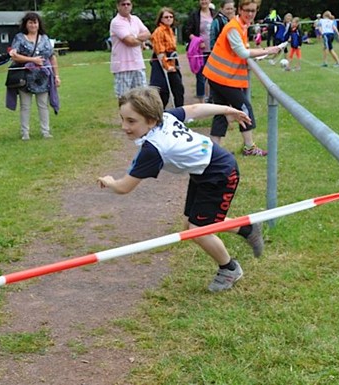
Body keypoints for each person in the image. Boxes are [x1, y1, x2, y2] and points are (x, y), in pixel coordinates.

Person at [97, 87, 264, 292]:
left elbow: (124, 188)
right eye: (122, 119)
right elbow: (194, 108)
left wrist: (109, 180)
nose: (124, 126)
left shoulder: (153, 149)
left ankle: (229, 269)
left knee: (198, 231)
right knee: (191, 224)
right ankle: (248, 228)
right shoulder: (165, 117)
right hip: (204, 171)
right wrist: (226, 110)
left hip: (220, 172)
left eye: (131, 121)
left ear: (151, 120)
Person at [203, 0, 282, 153]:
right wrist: (268, 50)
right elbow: (243, 53)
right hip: (222, 77)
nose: (250, 14)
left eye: (253, 11)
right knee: (245, 109)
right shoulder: (234, 27)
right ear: (240, 9)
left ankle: (213, 149)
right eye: (247, 10)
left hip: (217, 75)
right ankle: (249, 147)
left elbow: (242, 51)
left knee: (222, 112)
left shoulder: (240, 25)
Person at [7, 12, 61, 140]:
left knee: (43, 105)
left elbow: (52, 56)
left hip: (43, 77)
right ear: (26, 24)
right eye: (30, 22)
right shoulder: (19, 38)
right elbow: (14, 55)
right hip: (25, 77)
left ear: (39, 24)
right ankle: (25, 133)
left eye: (35, 22)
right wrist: (32, 59)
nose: (33, 25)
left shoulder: (45, 38)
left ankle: (45, 131)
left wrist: (56, 76)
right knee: (25, 106)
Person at [109, 0, 150, 98]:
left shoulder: (135, 19)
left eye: (128, 4)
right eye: (123, 4)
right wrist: (140, 39)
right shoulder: (116, 22)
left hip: (138, 65)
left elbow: (148, 33)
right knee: (125, 99)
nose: (126, 6)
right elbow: (129, 42)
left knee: (142, 98)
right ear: (118, 6)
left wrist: (134, 37)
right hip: (123, 67)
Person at [149, 7, 184, 108]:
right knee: (163, 91)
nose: (169, 19)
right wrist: (167, 66)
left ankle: (180, 112)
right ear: (161, 19)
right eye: (166, 17)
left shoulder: (171, 30)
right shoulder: (159, 31)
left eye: (171, 17)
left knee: (178, 89)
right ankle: (159, 114)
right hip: (161, 62)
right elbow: (160, 51)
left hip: (172, 60)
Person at [185, 0, 215, 103]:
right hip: (199, 53)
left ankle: (211, 99)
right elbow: (188, 32)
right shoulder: (194, 15)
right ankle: (201, 101)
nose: (204, 1)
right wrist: (197, 41)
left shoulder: (214, 14)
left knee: (212, 76)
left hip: (213, 51)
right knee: (200, 77)